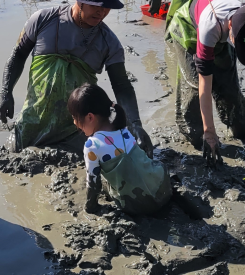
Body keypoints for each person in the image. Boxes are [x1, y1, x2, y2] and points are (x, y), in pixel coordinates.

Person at [0, 0, 153, 155]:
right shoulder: (42, 20)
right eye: (96, 4)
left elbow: (121, 86)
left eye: (107, 6)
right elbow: (18, 56)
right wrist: (6, 92)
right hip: (33, 121)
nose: (102, 11)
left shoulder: (109, 43)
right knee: (11, 154)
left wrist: (135, 125)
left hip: (76, 129)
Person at [168, 0, 245, 163]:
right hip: (189, 27)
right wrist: (209, 132)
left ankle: (237, 123)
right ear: (230, 26)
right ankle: (196, 136)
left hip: (224, 34)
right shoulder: (210, 25)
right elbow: (205, 81)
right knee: (195, 89)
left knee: (229, 88)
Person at [68, 84, 171, 215]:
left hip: (136, 206)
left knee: (106, 183)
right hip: (163, 190)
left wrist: (90, 208)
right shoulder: (124, 129)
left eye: (75, 118)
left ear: (90, 117)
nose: (75, 123)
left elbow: (93, 183)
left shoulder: (91, 146)